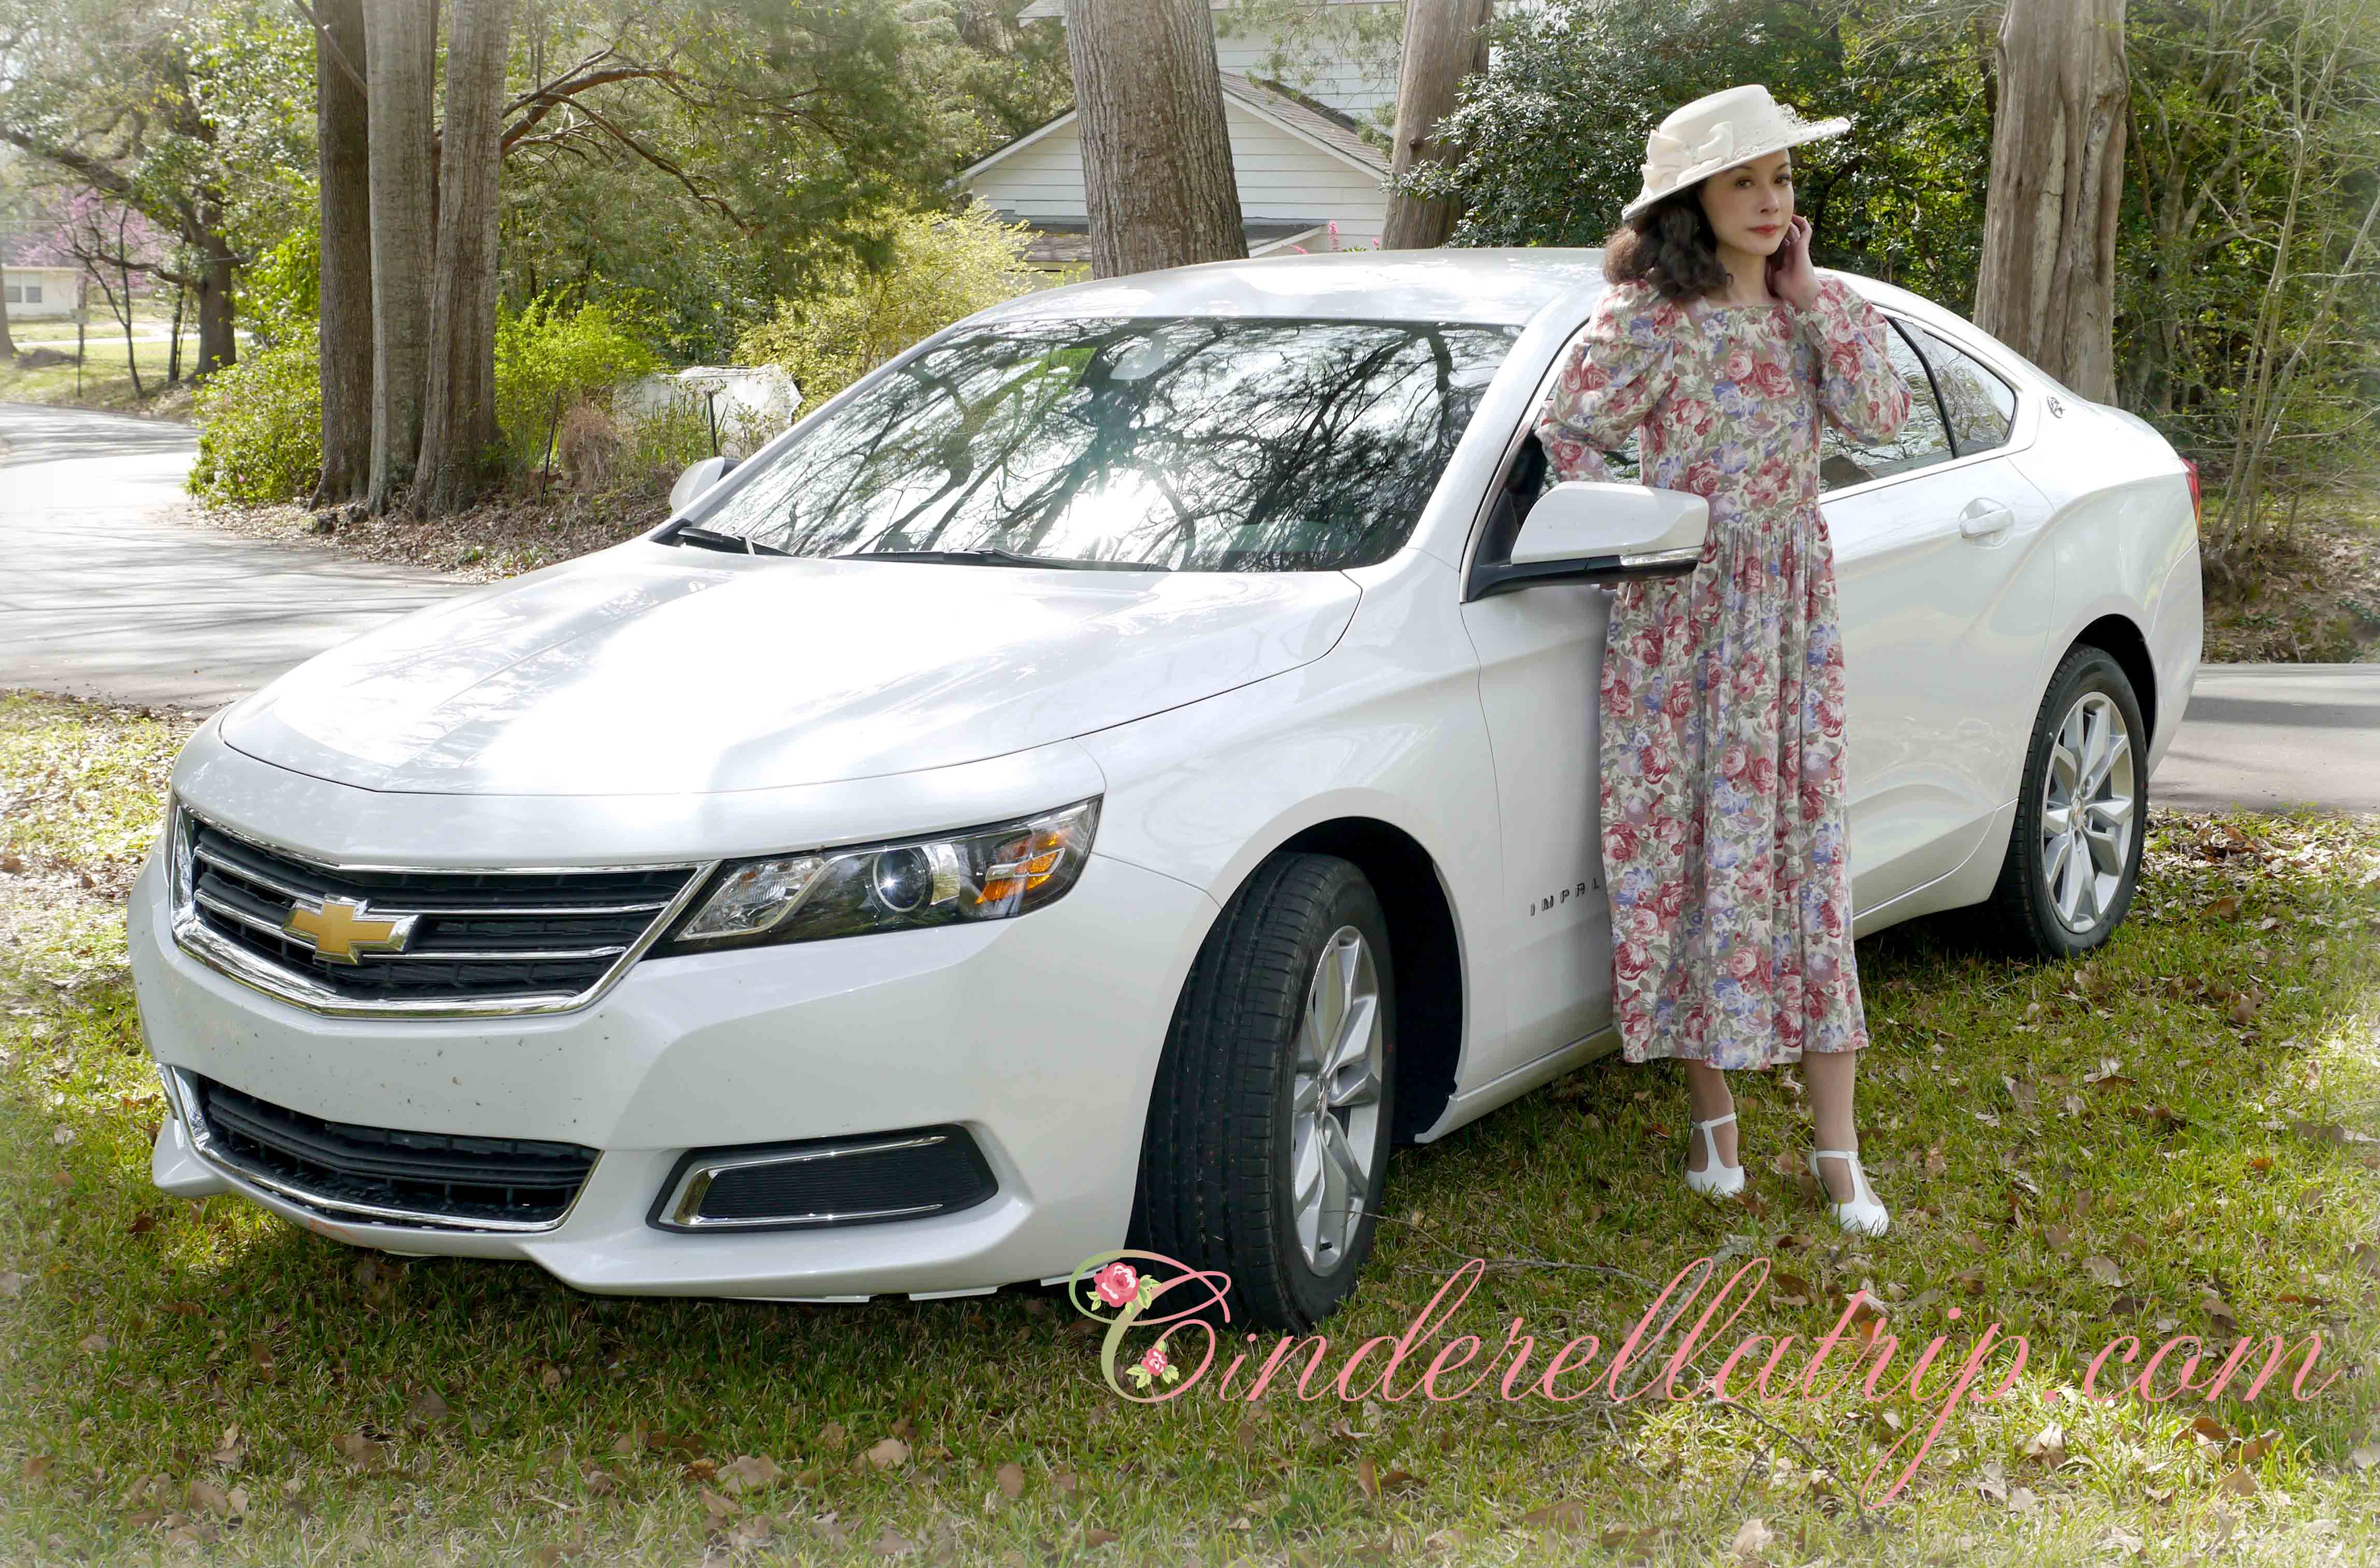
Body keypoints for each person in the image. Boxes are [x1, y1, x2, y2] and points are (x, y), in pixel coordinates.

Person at [1532, 84, 1909, 1236]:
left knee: (1806, 856)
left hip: (1790, 616)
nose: (1767, 199)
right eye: (1742, 180)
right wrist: (1640, 539)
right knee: (1689, 853)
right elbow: (1567, 436)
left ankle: (1838, 1152)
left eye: (1780, 178)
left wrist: (1812, 300)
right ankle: (1714, 1125)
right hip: (1683, 621)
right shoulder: (1647, 320)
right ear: (1692, 201)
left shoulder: (1815, 308)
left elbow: (1884, 414)